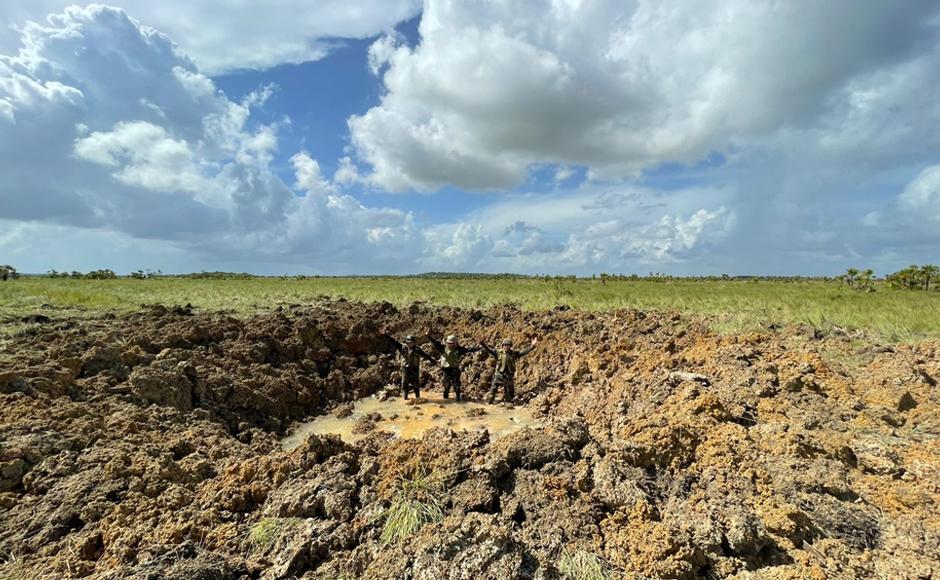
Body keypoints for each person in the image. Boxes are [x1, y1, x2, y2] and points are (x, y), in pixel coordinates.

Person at [424, 327, 481, 401]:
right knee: (446, 384)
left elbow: (469, 350)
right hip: (446, 369)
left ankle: (458, 397)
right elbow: (434, 342)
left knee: (456, 383)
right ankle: (445, 397)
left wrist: (479, 347)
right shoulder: (442, 348)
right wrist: (428, 335)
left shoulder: (458, 349)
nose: (449, 345)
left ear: (455, 343)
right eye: (448, 343)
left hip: (455, 369)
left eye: (451, 343)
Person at [378, 327, 435, 399]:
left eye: (411, 342)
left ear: (414, 342)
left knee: (416, 385)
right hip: (405, 369)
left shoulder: (417, 349)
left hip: (414, 369)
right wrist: (385, 335)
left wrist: (433, 361)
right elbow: (393, 341)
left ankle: (418, 398)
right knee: (404, 384)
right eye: (408, 342)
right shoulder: (402, 347)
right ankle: (405, 399)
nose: (409, 344)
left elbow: (426, 356)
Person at [481, 336, 538, 404]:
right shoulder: (498, 352)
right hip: (498, 375)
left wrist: (532, 346)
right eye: (505, 345)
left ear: (510, 346)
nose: (506, 347)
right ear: (502, 346)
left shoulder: (514, 353)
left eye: (508, 345)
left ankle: (508, 404)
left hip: (508, 377)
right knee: (492, 392)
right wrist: (482, 343)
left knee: (509, 396)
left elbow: (523, 353)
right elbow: (489, 350)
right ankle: (489, 403)